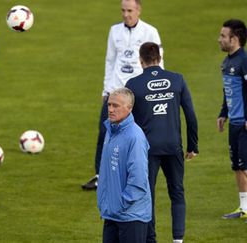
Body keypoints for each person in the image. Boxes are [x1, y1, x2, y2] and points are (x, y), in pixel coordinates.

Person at [82, 0, 164, 190]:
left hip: (139, 92)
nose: (126, 14)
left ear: (138, 10)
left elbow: (159, 62)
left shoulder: (150, 32)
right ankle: (100, 175)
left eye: (129, 10)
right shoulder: (114, 31)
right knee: (105, 132)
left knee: (139, 134)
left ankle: (136, 175)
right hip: (115, 90)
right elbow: (110, 60)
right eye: (123, 10)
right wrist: (106, 89)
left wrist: (155, 88)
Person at [125, 42, 198, 243]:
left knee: (147, 195)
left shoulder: (133, 84)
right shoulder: (177, 80)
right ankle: (178, 240)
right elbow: (190, 115)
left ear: (141, 61)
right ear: (159, 58)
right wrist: (193, 146)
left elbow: (125, 119)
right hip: (173, 146)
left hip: (146, 150)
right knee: (177, 192)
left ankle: (151, 239)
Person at [97, 87, 151, 243]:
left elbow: (138, 178)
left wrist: (121, 203)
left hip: (130, 216)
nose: (111, 109)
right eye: (109, 105)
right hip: (112, 213)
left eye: (116, 106)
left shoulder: (135, 137)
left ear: (129, 108)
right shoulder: (111, 130)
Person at [216, 19, 247, 220]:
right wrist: (223, 113)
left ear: (234, 39)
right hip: (234, 123)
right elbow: (229, 92)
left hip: (244, 122)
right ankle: (244, 208)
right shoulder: (227, 62)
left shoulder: (244, 61)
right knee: (237, 165)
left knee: (245, 166)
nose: (219, 40)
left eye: (223, 36)